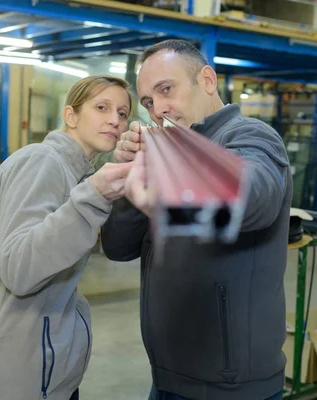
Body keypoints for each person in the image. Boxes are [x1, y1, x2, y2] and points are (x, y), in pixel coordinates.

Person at [101, 40, 292, 400]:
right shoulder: (169, 148)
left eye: (166, 89)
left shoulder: (250, 136)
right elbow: (117, 247)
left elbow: (254, 198)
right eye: (148, 102)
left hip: (230, 387)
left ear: (206, 80)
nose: (158, 109)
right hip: (169, 376)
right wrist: (131, 173)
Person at [0, 75, 134, 400]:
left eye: (123, 113)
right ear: (71, 116)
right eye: (101, 107)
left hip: (37, 361)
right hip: (17, 368)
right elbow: (19, 270)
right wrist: (92, 198)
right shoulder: (43, 162)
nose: (115, 120)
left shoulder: (73, 172)